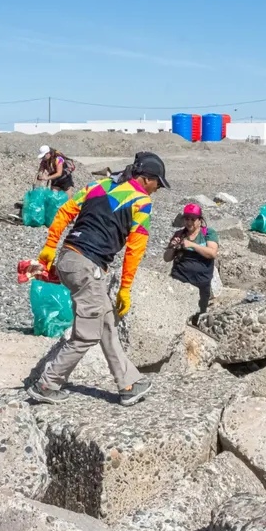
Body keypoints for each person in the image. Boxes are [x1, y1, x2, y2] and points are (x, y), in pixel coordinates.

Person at [27, 152, 170, 406]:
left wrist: (50, 246)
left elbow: (64, 212)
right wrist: (125, 289)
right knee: (86, 335)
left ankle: (128, 383)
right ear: (146, 179)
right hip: (87, 266)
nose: (158, 188)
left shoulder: (99, 185)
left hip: (69, 260)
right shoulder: (141, 201)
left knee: (106, 323)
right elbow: (135, 250)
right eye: (158, 182)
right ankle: (48, 384)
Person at [164, 203, 219, 323]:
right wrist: (172, 247)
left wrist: (192, 245)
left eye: (193, 219)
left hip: (201, 281)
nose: (189, 222)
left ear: (200, 220)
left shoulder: (208, 234)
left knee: (198, 315)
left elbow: (212, 253)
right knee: (176, 312)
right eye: (186, 219)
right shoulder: (179, 234)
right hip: (180, 279)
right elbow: (167, 258)